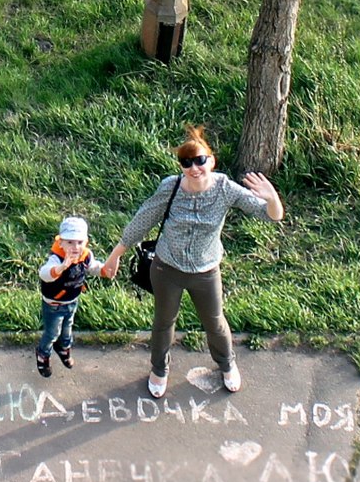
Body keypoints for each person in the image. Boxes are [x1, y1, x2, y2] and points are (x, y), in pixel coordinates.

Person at [99, 127, 284, 397]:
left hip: (205, 271)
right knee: (164, 321)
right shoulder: (170, 186)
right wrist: (115, 255)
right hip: (167, 268)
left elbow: (272, 216)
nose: (194, 168)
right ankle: (159, 369)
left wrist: (272, 198)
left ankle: (226, 363)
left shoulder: (225, 189)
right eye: (186, 163)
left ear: (211, 160)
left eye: (199, 160)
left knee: (215, 321)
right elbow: (143, 219)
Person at [36, 216, 99, 378]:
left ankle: (63, 347)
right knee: (52, 333)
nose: (75, 247)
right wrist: (61, 268)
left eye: (79, 242)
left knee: (67, 328)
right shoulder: (56, 258)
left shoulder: (85, 255)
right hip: (54, 304)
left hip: (72, 301)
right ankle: (43, 354)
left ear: (85, 242)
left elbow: (93, 267)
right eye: (70, 242)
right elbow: (44, 274)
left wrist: (105, 269)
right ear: (61, 242)